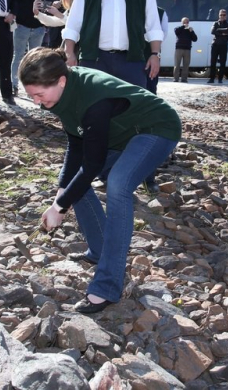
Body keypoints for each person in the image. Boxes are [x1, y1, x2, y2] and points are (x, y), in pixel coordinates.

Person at [19, 48, 181, 313]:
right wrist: (61, 193)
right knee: (74, 187)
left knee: (118, 185)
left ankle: (107, 286)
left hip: (156, 128)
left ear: (60, 81)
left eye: (39, 94)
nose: (36, 102)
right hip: (120, 135)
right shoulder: (60, 94)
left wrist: (60, 207)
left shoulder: (93, 97)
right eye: (31, 95)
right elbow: (76, 142)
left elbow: (91, 164)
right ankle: (99, 249)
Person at [12, 0, 48, 96]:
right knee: (18, 56)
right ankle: (14, 85)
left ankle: (31, 89)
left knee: (34, 60)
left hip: (38, 29)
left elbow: (46, 9)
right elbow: (12, 4)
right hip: (21, 27)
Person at [208, 9, 228, 84]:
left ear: (226, 16)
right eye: (221, 15)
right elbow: (212, 31)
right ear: (219, 15)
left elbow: (227, 31)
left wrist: (218, 31)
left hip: (223, 45)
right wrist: (221, 32)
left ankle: (220, 79)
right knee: (213, 62)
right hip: (215, 45)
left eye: (224, 15)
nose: (222, 16)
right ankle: (211, 78)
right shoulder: (215, 23)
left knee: (222, 62)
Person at [173, 17, 197, 83]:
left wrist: (191, 32)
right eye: (184, 22)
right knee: (177, 64)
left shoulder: (190, 30)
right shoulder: (178, 28)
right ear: (182, 22)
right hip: (179, 48)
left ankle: (184, 79)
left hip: (187, 49)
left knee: (186, 65)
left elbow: (195, 39)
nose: (186, 23)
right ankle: (176, 78)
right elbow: (176, 31)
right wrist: (183, 26)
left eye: (187, 22)